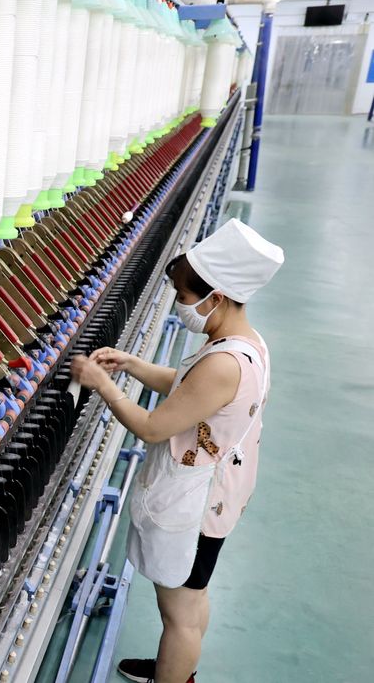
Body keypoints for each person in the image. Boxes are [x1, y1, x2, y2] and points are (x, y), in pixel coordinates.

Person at [71, 220, 284, 683]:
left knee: (180, 614)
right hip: (220, 494)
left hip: (197, 503)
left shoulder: (224, 363)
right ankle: (178, 666)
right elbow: (187, 389)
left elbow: (151, 427)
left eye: (184, 296)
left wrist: (102, 384)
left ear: (218, 297)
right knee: (193, 596)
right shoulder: (245, 344)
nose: (179, 304)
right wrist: (131, 365)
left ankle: (176, 669)